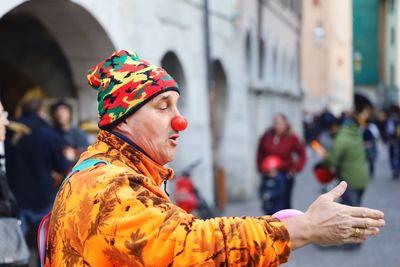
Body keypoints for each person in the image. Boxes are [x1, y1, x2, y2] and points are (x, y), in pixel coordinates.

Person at [45, 50, 385, 266]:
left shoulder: (105, 167)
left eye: (177, 106)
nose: (180, 120)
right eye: (163, 107)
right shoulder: (108, 185)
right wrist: (304, 228)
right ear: (123, 119)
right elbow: (188, 244)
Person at [5, 97, 69, 235]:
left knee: (17, 246)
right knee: (45, 246)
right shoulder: (50, 135)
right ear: (41, 112)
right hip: (42, 198)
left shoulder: (9, 132)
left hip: (15, 197)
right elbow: (62, 167)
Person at [256, 113, 306, 209]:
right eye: (275, 123)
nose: (276, 126)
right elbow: (260, 153)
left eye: (279, 123)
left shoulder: (291, 137)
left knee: (283, 203)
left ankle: (283, 223)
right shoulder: (267, 136)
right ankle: (269, 222)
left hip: (285, 174)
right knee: (269, 202)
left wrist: (295, 168)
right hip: (268, 174)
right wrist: (261, 168)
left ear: (285, 124)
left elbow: (302, 154)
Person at [323, 112, 369, 207]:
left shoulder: (341, 138)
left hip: (350, 179)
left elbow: (332, 159)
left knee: (352, 212)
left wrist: (322, 163)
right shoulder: (353, 132)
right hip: (362, 177)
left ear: (334, 126)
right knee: (356, 207)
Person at [50, 99, 90, 166]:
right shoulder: (50, 134)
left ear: (70, 113)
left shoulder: (78, 133)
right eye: (57, 111)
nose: (61, 114)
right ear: (54, 115)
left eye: (63, 110)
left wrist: (75, 153)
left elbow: (87, 153)